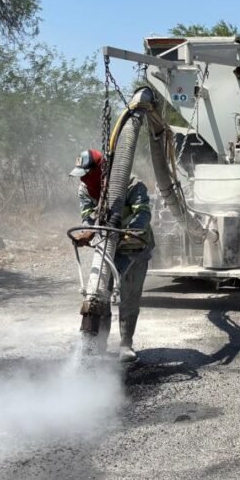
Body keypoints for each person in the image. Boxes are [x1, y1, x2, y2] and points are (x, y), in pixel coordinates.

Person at [69, 149, 154, 362]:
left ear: (100, 170)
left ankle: (126, 344)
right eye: (80, 175)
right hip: (107, 246)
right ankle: (98, 344)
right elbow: (88, 216)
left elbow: (143, 213)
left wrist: (128, 233)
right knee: (100, 294)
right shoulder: (85, 189)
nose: (83, 179)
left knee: (129, 297)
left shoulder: (132, 184)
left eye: (87, 174)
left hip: (134, 247)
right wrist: (88, 232)